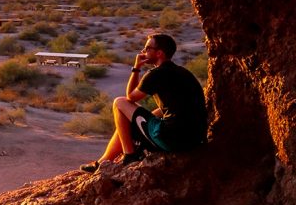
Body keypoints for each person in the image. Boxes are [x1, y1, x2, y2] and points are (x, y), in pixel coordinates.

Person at [81, 33, 207, 172]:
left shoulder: (156, 74)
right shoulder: (183, 73)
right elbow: (177, 108)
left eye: (147, 48)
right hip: (194, 141)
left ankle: (130, 156)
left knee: (119, 103)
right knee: (140, 117)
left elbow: (130, 97)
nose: (143, 51)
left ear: (159, 53)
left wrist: (136, 68)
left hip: (171, 140)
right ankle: (102, 162)